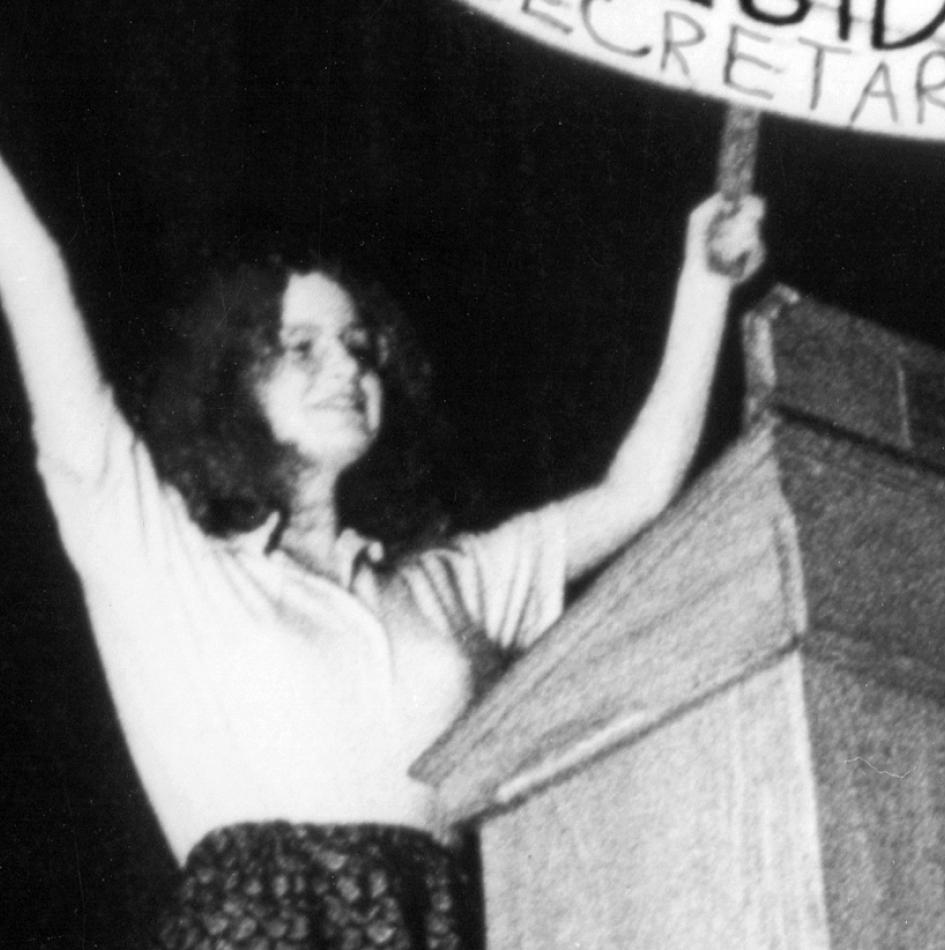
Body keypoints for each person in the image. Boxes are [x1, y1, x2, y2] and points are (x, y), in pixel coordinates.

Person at [0, 144, 763, 950]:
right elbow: (32, 276)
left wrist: (704, 284)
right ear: (236, 381)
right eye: (300, 347)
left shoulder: (448, 583)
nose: (346, 367)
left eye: (361, 347)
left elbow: (636, 493)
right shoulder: (163, 561)